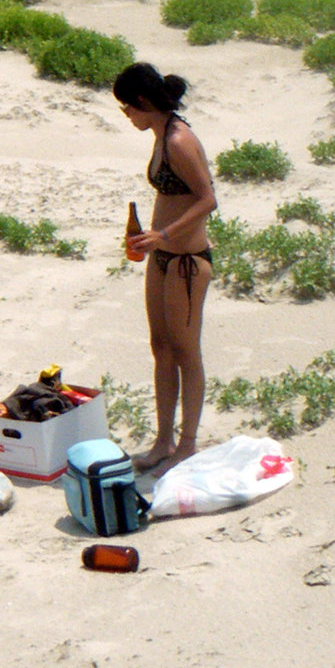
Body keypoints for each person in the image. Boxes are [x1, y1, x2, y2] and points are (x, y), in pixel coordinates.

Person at [113, 61, 216, 473]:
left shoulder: (179, 140)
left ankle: (187, 443)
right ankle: (162, 441)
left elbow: (207, 199)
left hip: (187, 261)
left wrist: (165, 235)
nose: (126, 116)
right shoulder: (160, 136)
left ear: (142, 102)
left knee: (186, 351)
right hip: (163, 257)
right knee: (161, 347)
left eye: (127, 108)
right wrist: (153, 241)